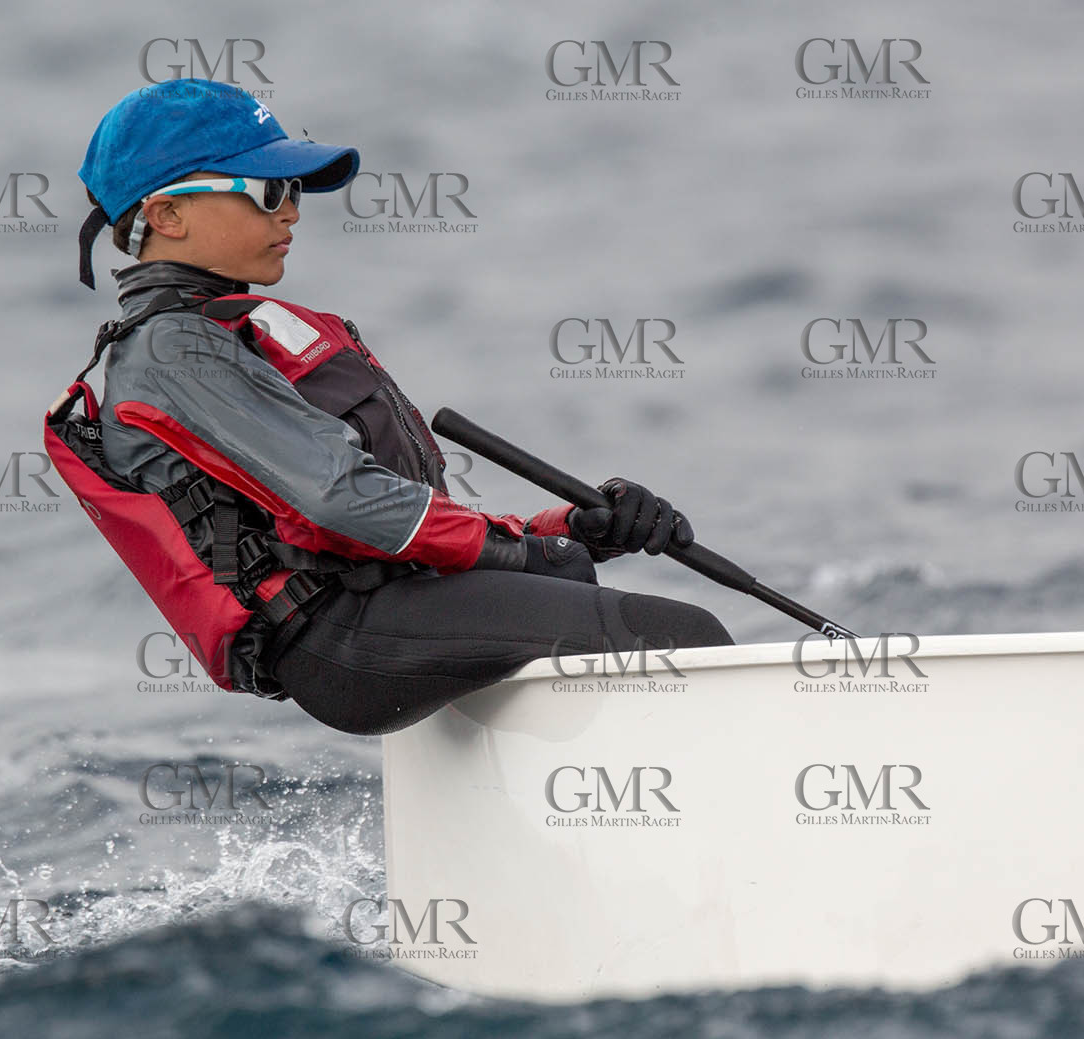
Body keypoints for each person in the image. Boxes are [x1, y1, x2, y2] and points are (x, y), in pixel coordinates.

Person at [53, 78, 731, 736]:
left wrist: (573, 530)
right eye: (266, 191)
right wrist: (527, 553)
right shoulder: (176, 351)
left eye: (292, 190)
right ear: (166, 215)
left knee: (607, 600)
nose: (290, 211)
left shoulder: (224, 333)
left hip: (380, 609)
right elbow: (344, 501)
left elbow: (391, 516)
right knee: (682, 639)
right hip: (340, 636)